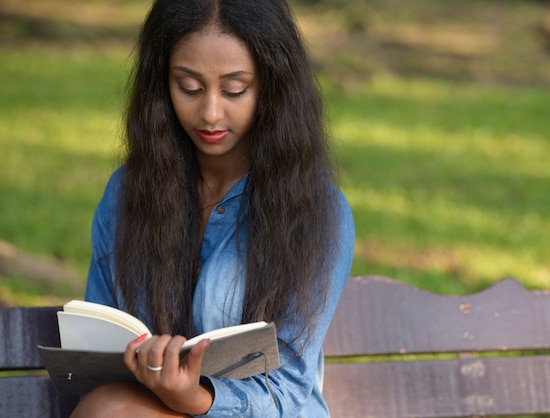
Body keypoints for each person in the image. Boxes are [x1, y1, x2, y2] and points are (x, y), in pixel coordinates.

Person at [69, 0, 355, 416]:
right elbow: (98, 353)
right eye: (189, 86)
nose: (210, 113)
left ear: (273, 87)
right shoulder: (126, 194)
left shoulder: (316, 211)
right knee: (108, 405)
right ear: (161, 83)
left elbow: (289, 392)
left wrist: (196, 397)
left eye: (235, 89)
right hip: (141, 409)